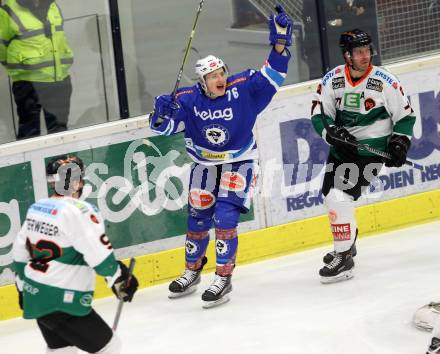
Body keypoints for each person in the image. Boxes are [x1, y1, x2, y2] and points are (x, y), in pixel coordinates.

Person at [149, 5, 292, 308]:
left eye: (222, 72)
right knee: (198, 218)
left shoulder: (244, 88)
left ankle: (223, 277)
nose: (220, 78)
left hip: (239, 160)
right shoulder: (188, 99)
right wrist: (160, 113)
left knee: (225, 217)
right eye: (213, 76)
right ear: (202, 82)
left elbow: (275, 73)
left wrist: (279, 43)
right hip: (204, 165)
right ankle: (192, 270)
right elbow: (164, 129)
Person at [310, 29, 416, 283]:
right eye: (359, 52)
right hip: (342, 149)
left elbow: (405, 117)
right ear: (347, 55)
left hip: (371, 148)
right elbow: (318, 114)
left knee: (338, 196)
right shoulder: (332, 80)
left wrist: (400, 143)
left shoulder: (384, 81)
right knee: (331, 196)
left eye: (368, 50)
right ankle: (348, 243)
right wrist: (331, 134)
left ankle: (344, 257)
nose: (365, 56)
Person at [12, 155, 139, 353]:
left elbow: (19, 256)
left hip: (35, 296)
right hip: (63, 299)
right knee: (110, 347)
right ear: (79, 181)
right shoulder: (80, 210)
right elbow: (99, 255)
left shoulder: (37, 208)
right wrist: (119, 278)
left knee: (62, 350)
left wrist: (22, 289)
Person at [0, 0, 73, 139]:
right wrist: (19, 67)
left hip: (59, 78)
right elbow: (1, 46)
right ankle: (28, 161)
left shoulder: (53, 5)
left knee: (60, 132)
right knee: (29, 133)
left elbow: (59, 36)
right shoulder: (8, 10)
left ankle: (63, 161)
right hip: (28, 83)